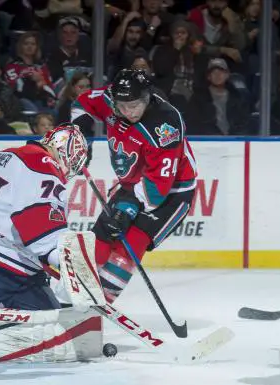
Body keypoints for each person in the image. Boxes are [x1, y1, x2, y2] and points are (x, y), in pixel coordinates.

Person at [71, 68, 198, 303]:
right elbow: (82, 103)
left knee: (128, 245)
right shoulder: (110, 101)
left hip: (172, 193)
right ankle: (74, 295)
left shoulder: (165, 125)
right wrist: (81, 139)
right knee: (99, 238)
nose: (128, 112)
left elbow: (159, 186)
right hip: (132, 186)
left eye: (135, 105)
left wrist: (127, 207)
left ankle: (102, 301)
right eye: (122, 106)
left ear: (147, 97)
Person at [0, 123, 89, 310]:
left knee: (50, 314)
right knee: (55, 329)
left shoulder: (13, 156)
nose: (70, 170)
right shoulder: (42, 164)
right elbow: (41, 224)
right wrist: (69, 265)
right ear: (67, 149)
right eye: (75, 161)